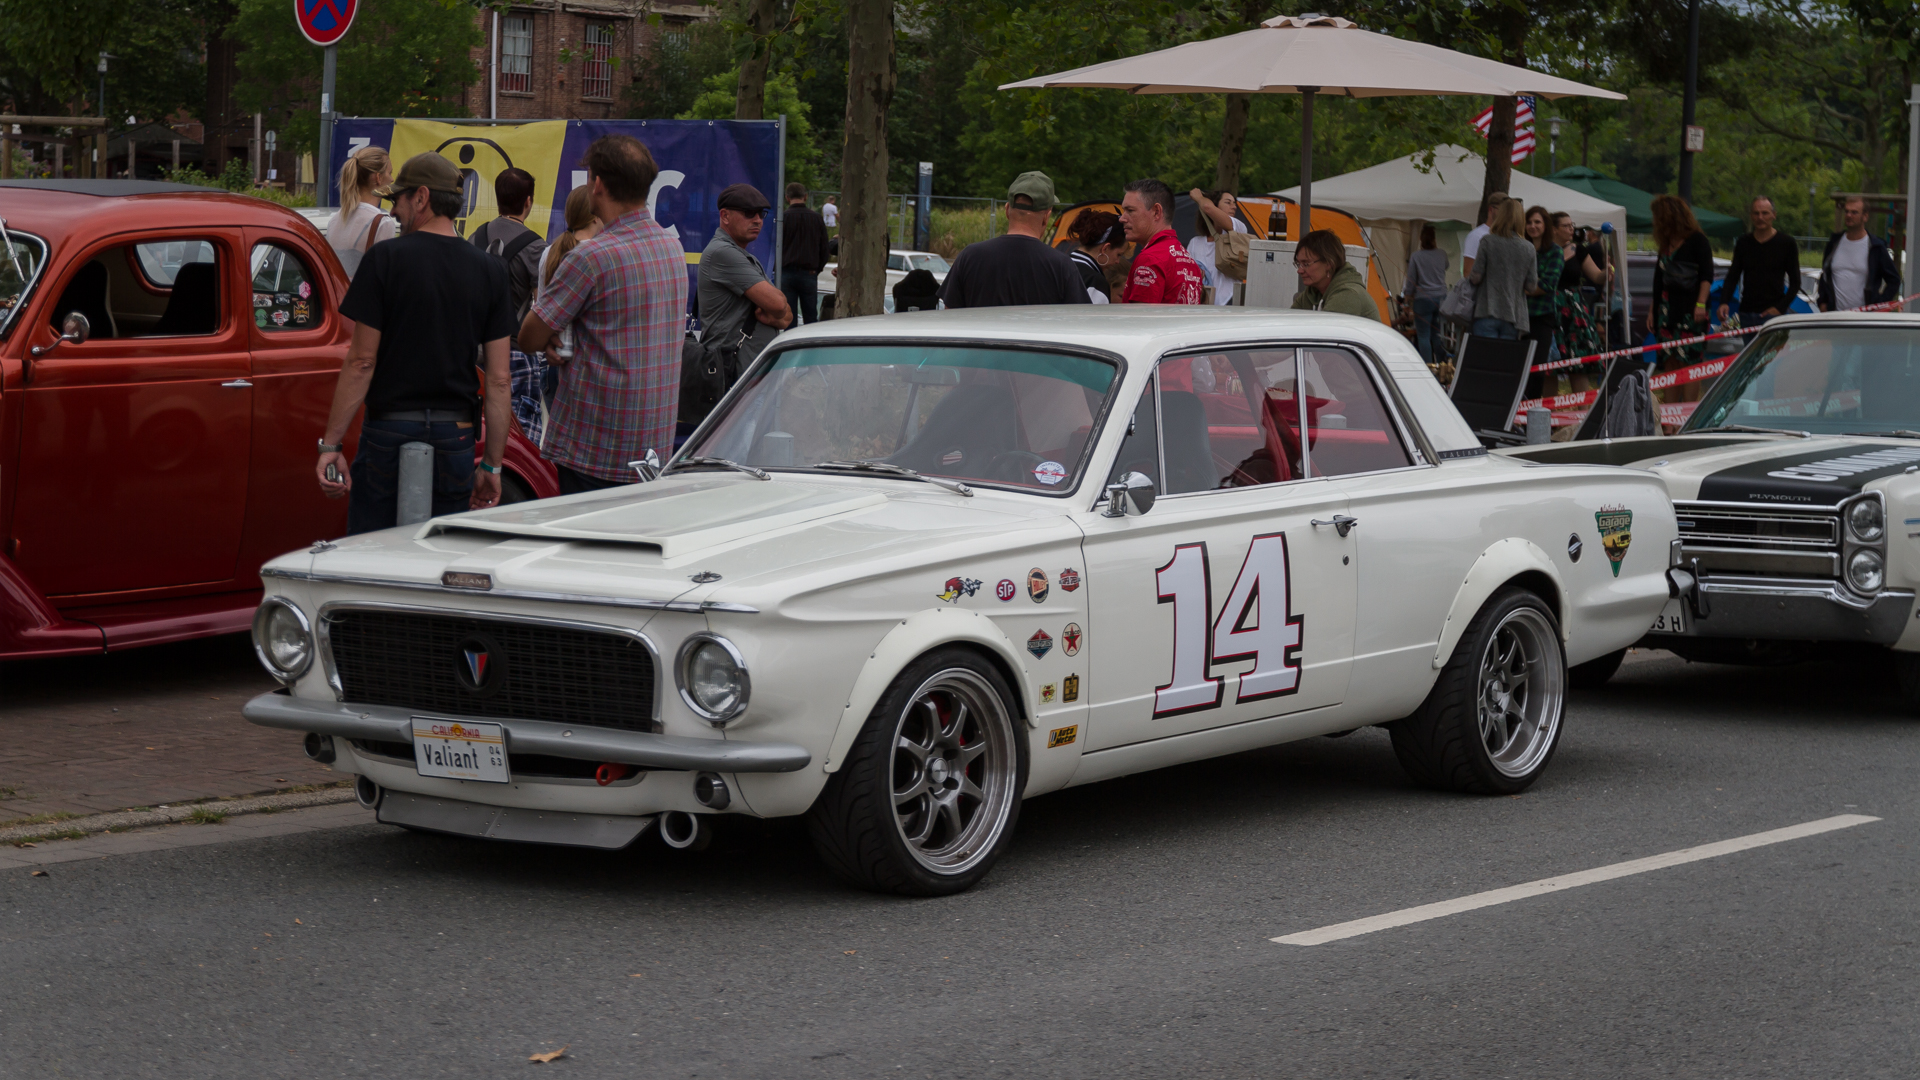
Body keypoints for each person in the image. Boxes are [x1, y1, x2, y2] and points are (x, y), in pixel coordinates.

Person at [315, 152, 515, 533]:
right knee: (437, 561)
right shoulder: (490, 270)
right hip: (455, 434)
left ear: (421, 197)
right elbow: (499, 378)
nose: (394, 212)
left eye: (398, 200)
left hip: (389, 431)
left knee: (370, 552)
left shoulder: (385, 260)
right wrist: (491, 465)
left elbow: (361, 362)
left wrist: (331, 446)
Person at [519, 135, 689, 495]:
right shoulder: (672, 249)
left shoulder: (590, 258)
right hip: (653, 445)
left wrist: (558, 338)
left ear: (596, 185)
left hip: (597, 447)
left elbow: (529, 336)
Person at [469, 168, 549, 444]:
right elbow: (543, 306)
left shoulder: (474, 238)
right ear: (528, 201)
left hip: (473, 354)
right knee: (521, 443)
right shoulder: (536, 247)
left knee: (477, 434)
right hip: (516, 354)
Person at [518, 186, 601, 448]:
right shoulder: (594, 254)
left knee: (560, 447)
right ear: (595, 215)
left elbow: (541, 305)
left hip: (551, 361)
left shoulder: (550, 251)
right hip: (582, 367)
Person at [936, 171, 1090, 308]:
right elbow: (1079, 322)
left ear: (1007, 210)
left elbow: (949, 317)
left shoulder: (969, 256)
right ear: (1046, 217)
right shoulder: (1062, 266)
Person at [697, 183, 792, 369]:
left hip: (745, 370)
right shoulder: (723, 253)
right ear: (725, 216)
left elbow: (786, 317)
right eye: (749, 213)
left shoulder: (741, 255)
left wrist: (777, 313)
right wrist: (776, 312)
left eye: (761, 213)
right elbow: (779, 305)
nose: (757, 220)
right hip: (732, 371)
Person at [1650, 194, 1713, 373]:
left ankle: (1689, 401)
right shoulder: (1665, 244)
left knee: (1688, 362)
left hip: (1690, 310)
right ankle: (1671, 402)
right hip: (1665, 310)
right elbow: (1659, 281)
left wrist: (1700, 304)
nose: (1654, 222)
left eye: (1657, 217)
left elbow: (1707, 276)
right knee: (1669, 361)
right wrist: (1652, 310)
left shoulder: (1698, 241)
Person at [1716, 196, 1802, 327]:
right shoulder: (1743, 243)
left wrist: (1780, 308)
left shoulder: (1786, 243)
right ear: (1751, 216)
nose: (1760, 217)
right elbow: (1733, 276)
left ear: (1774, 215)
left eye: (1765, 213)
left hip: (1773, 316)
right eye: (1756, 213)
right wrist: (1724, 302)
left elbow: (1795, 283)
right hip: (1747, 313)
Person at [1118, 178, 1203, 304]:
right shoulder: (1188, 259)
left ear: (1156, 212)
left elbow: (1140, 320)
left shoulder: (1150, 259)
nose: (1122, 218)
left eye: (1130, 210)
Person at [325, 145, 399, 280]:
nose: (392, 180)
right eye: (390, 173)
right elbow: (384, 276)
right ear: (378, 178)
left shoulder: (335, 220)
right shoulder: (382, 223)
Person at [1467, 197, 1535, 340]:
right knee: (1505, 360)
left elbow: (1475, 277)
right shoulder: (1528, 248)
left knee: (1485, 360)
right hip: (1514, 316)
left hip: (1487, 309)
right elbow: (1531, 285)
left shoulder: (1488, 241)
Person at [1819, 195, 1901, 312]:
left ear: (1865, 216)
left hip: (1864, 320)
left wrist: (1880, 305)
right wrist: (1822, 302)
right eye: (1846, 211)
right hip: (1835, 317)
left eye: (1854, 212)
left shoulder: (1876, 247)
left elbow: (1894, 280)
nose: (1848, 215)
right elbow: (1825, 275)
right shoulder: (1834, 244)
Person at [1551, 212, 1606, 385]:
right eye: (1566, 226)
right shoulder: (1543, 252)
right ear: (1554, 230)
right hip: (1551, 308)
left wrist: (1608, 271)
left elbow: (1597, 276)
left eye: (1571, 225)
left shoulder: (1579, 249)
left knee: (1578, 362)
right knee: (1550, 367)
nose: (1571, 229)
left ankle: (1583, 410)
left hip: (1574, 309)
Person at [1290, 228, 1379, 319]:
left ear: (1329, 264)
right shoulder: (1312, 293)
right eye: (1298, 264)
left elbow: (1322, 331)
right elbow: (1290, 322)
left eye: (1306, 264)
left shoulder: (1348, 295)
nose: (1299, 270)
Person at [1187, 189, 1250, 306]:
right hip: (1202, 305)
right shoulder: (1195, 243)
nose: (1234, 206)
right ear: (1215, 205)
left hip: (1230, 302)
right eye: (1228, 202)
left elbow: (1206, 207)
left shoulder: (1238, 231)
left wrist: (1199, 197)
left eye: (1234, 203)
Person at [779, 183, 829, 325]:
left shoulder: (783, 219)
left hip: (786, 273)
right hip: (809, 273)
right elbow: (824, 249)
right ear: (805, 197)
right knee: (810, 317)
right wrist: (816, 269)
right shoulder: (816, 219)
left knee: (788, 318)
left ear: (787, 198)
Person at [1402, 223, 1449, 364]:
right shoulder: (1442, 254)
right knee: (1437, 335)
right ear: (1434, 239)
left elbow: (1411, 281)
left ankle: (1428, 368)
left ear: (1421, 240)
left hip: (1422, 300)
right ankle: (1443, 365)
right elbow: (1446, 266)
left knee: (1423, 336)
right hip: (1441, 299)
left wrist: (1407, 297)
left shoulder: (1416, 256)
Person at [1524, 205, 1562, 358]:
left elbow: (1547, 284)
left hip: (1541, 316)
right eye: (1529, 222)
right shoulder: (1522, 249)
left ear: (1546, 225)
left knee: (1537, 368)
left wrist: (1520, 287)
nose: (1532, 226)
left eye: (1537, 222)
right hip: (1519, 317)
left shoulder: (1555, 251)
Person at [1067, 209, 1125, 304]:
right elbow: (1096, 319)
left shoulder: (1058, 266)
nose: (1117, 261)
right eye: (1118, 254)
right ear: (1105, 249)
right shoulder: (1095, 282)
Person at [1461, 193, 1506, 279]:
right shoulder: (1476, 236)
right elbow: (1468, 271)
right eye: (1502, 210)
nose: (1505, 214)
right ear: (1491, 209)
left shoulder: (1506, 235)